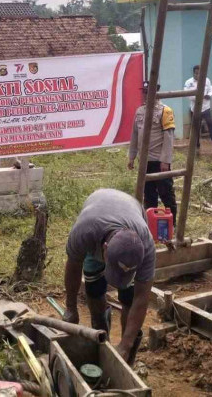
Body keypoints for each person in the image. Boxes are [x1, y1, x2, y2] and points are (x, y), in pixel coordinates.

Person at [62, 189, 155, 365]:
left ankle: (127, 358)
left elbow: (141, 298)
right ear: (104, 248)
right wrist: (71, 308)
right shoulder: (85, 232)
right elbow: (73, 265)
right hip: (97, 210)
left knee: (129, 297)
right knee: (94, 290)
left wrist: (125, 346)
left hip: (131, 212)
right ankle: (101, 338)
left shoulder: (146, 246)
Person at [128, 81, 177, 226]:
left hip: (159, 160)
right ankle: (151, 223)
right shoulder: (140, 111)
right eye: (144, 91)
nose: (145, 94)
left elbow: (169, 138)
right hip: (145, 161)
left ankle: (172, 222)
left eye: (148, 91)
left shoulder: (165, 111)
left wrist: (165, 161)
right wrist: (131, 157)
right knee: (149, 194)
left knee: (166, 192)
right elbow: (135, 135)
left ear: (156, 92)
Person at [184, 65, 212, 150]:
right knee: (195, 128)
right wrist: (198, 97)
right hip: (195, 108)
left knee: (211, 125)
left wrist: (209, 95)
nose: (198, 75)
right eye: (196, 73)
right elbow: (187, 94)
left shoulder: (207, 80)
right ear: (194, 73)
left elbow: (211, 89)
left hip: (206, 108)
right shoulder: (188, 82)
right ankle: (196, 145)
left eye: (199, 73)